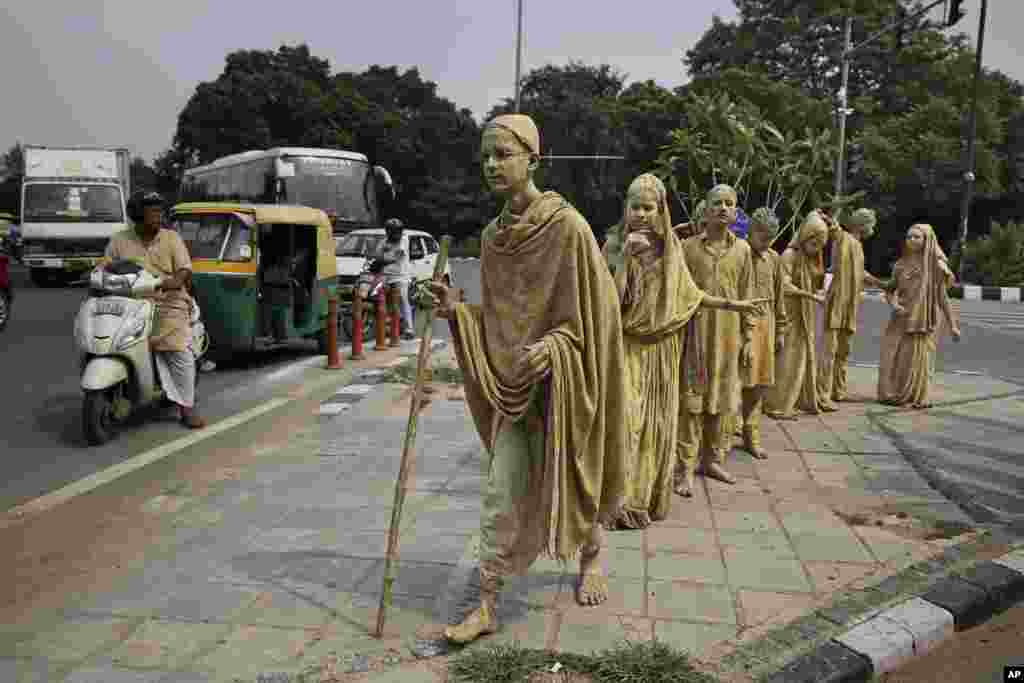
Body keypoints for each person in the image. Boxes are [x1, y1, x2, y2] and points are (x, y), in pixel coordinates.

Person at [425, 113, 629, 644]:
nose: (492, 164)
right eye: (486, 156)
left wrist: (560, 346)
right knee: (501, 490)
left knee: (576, 475)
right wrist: (455, 312)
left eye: (504, 154)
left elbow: (599, 314)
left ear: (533, 159)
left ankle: (592, 555)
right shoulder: (493, 238)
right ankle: (487, 602)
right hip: (515, 385)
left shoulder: (570, 228)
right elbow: (496, 318)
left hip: (565, 381)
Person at [603, 174, 764, 526]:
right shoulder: (613, 245)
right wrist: (626, 261)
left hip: (662, 350)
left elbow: (690, 295)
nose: (642, 214)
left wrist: (733, 306)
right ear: (625, 209)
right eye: (635, 207)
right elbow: (607, 305)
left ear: (660, 210)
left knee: (655, 426)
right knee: (627, 420)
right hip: (627, 347)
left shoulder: (671, 249)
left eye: (649, 207)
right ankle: (617, 497)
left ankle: (641, 498)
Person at [674, 184, 757, 497]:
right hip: (695, 337)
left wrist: (748, 338)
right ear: (706, 209)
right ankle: (684, 468)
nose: (723, 208)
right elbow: (679, 292)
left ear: (735, 212)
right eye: (717, 203)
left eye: (729, 204)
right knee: (692, 404)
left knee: (721, 403)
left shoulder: (743, 250)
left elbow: (748, 296)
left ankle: (712, 460)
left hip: (728, 339)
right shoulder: (688, 248)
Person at [100, 192, 205, 429]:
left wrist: (175, 280)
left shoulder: (171, 239)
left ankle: (186, 408)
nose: (158, 214)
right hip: (128, 303)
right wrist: (96, 275)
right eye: (152, 210)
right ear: (137, 214)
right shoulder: (119, 241)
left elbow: (184, 270)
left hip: (167, 301)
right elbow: (104, 267)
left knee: (177, 350)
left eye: (159, 209)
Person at [878, 223, 960, 408]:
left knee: (921, 360)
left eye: (917, 237)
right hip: (902, 318)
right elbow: (890, 290)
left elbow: (942, 298)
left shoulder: (934, 269)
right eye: (909, 237)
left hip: (924, 320)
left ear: (926, 241)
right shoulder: (900, 265)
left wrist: (952, 325)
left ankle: (917, 396)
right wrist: (894, 304)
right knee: (895, 356)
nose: (912, 240)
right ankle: (896, 393)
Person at [766, 210, 830, 420]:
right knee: (786, 359)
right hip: (790, 313)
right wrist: (809, 295)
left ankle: (793, 400)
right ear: (804, 237)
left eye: (821, 245)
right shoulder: (789, 256)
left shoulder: (813, 259)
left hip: (806, 314)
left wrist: (818, 291)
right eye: (814, 244)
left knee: (801, 358)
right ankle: (777, 404)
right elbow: (783, 286)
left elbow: (817, 282)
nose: (817, 249)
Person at [818, 208, 886, 403]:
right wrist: (827, 219)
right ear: (862, 224)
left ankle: (837, 390)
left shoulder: (857, 245)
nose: (871, 227)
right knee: (829, 351)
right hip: (838, 301)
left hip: (850, 306)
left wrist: (883, 284)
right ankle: (822, 393)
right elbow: (835, 230)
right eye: (869, 222)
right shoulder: (844, 238)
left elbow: (861, 273)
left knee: (843, 351)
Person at [737, 208, 789, 458]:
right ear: (751, 229)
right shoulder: (739, 252)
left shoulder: (774, 259)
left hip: (765, 325)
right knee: (737, 381)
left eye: (771, 236)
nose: (766, 241)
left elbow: (779, 297)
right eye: (762, 235)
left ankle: (751, 433)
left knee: (759, 383)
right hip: (739, 324)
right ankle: (726, 433)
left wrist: (780, 329)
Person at [372, 218, 415, 340]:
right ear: (388, 232)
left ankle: (409, 329)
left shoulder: (404, 240)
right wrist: (378, 260)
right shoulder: (383, 242)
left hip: (401, 275)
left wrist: (382, 260)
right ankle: (383, 322)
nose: (396, 234)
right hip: (385, 275)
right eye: (393, 231)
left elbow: (397, 256)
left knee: (402, 298)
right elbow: (376, 255)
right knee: (376, 294)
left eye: (397, 231)